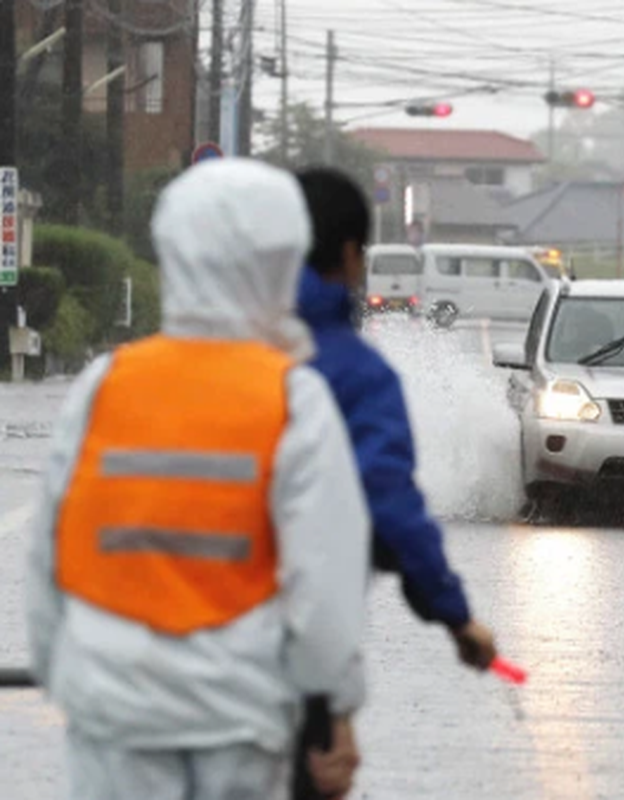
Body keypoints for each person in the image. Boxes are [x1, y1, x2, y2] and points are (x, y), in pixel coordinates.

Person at [26, 159, 370, 799]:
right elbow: (324, 584)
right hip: (239, 711)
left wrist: (62, 670)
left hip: (112, 706)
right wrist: (333, 710)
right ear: (282, 258)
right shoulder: (294, 398)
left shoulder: (104, 386)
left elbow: (50, 549)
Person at [294, 167, 498, 673]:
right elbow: (386, 504)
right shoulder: (354, 373)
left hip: (134, 671)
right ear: (349, 255)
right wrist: (454, 616)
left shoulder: (125, 374)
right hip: (278, 657)